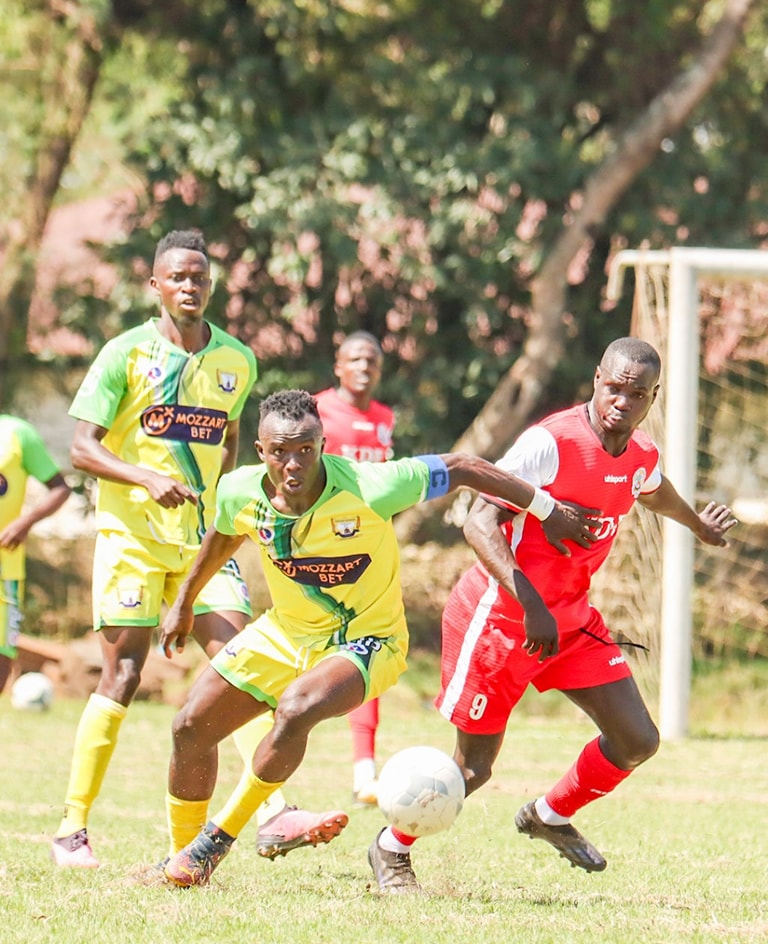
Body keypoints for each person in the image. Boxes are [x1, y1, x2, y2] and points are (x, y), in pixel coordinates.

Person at [155, 388, 598, 888]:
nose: (293, 464)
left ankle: (215, 841)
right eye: (280, 452)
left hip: (367, 641)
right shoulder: (239, 491)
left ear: (323, 445)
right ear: (260, 451)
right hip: (285, 632)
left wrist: (545, 508)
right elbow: (223, 535)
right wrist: (184, 601)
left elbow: (465, 466)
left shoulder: (373, 486)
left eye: (305, 449)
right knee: (189, 726)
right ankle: (179, 862)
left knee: (296, 708)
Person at [367, 336, 737, 893]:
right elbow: (478, 523)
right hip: (500, 621)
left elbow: (653, 490)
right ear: (596, 380)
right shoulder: (551, 443)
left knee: (637, 740)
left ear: (653, 397)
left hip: (571, 623)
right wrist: (531, 605)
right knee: (472, 770)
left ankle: (549, 815)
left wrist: (697, 525)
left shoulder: (640, 455)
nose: (622, 401)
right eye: (614, 388)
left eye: (637, 394)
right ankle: (390, 848)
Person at [51, 230, 345, 869]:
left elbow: (235, 443)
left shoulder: (237, 360)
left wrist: (235, 511)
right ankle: (72, 828)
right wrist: (145, 477)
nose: (189, 287)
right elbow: (80, 448)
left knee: (242, 663)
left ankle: (273, 811)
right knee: (123, 675)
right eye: (178, 277)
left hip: (201, 544)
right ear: (155, 285)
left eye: (200, 278)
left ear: (211, 287)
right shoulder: (125, 354)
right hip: (131, 539)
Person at [316, 330, 395, 805]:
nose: (364, 366)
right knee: (302, 652)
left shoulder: (385, 419)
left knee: (369, 650)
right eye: (355, 359)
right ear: (338, 367)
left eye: (372, 360)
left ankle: (365, 773)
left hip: (368, 554)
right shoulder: (317, 410)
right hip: (319, 552)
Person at [0, 415, 71, 694]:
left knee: (3, 654)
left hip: (5, 568)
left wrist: (24, 523)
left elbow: (60, 487)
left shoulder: (17, 433)